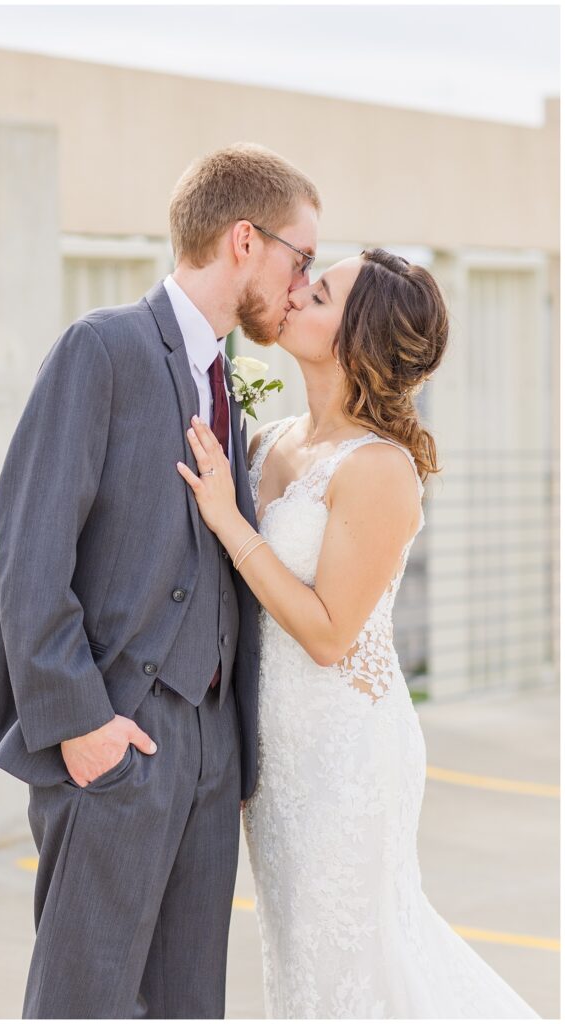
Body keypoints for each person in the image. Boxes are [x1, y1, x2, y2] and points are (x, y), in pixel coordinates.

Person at [0, 142, 320, 1018]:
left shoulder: (223, 378)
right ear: (242, 240)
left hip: (208, 748)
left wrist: (226, 750)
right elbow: (26, 548)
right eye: (298, 257)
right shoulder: (102, 349)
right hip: (116, 738)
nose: (302, 282)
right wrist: (81, 723)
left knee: (190, 1004)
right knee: (84, 1001)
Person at [177, 247, 540, 1018]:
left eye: (319, 293)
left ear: (357, 336)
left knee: (357, 961)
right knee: (300, 961)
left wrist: (228, 521)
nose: (295, 295)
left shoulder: (379, 468)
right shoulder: (267, 439)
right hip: (275, 757)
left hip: (344, 752)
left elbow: (329, 634)